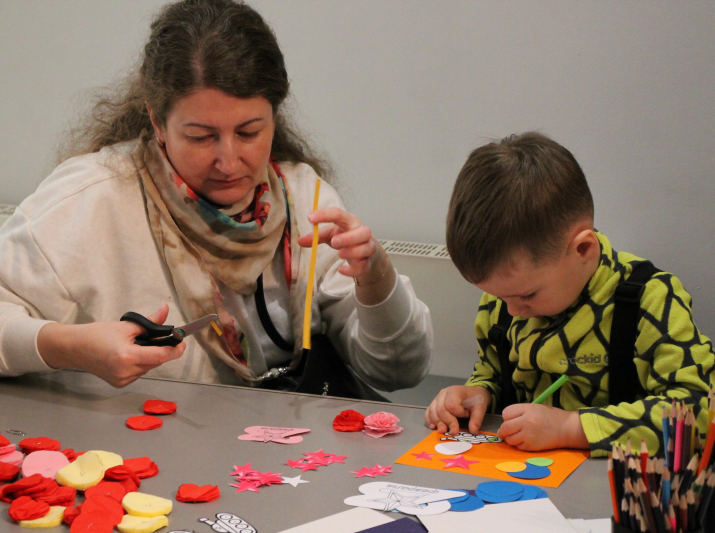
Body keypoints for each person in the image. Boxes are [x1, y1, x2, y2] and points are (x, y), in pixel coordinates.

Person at [0, 0, 432, 392]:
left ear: (275, 115)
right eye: (201, 136)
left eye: (249, 132)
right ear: (156, 121)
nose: (229, 161)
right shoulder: (86, 202)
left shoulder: (306, 199)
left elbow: (397, 372)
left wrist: (375, 279)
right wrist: (65, 346)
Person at [424, 132, 715, 457]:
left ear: (583, 249)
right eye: (496, 295)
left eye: (528, 296)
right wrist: (477, 393)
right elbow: (493, 369)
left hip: (614, 492)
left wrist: (570, 428)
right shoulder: (508, 296)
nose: (512, 310)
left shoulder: (650, 299)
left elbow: (699, 415)